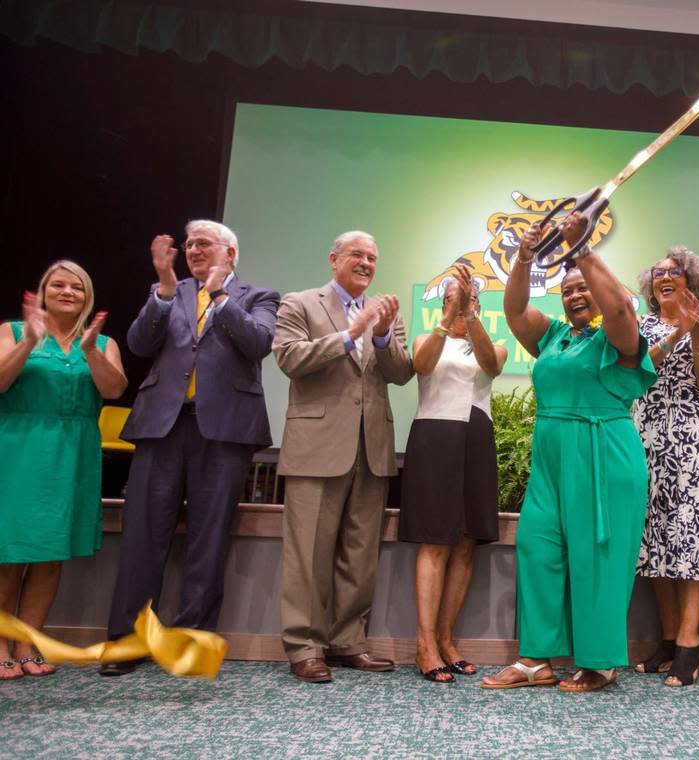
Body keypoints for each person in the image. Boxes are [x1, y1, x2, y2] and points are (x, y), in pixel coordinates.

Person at [481, 212, 655, 693]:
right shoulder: (555, 337)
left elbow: (620, 307)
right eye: (567, 289)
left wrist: (580, 250)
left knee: (597, 557)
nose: (576, 294)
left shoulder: (617, 339)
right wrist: (524, 257)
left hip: (604, 457)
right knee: (537, 548)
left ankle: (599, 663)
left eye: (583, 287)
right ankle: (535, 660)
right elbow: (515, 311)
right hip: (552, 460)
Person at [102, 221, 279, 676]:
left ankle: (188, 641)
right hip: (162, 426)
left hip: (223, 431)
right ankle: (127, 641)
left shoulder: (257, 296)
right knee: (143, 536)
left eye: (204, 244)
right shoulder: (169, 290)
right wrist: (162, 290)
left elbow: (259, 343)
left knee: (209, 538)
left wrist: (219, 296)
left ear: (231, 253)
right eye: (190, 244)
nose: (193, 250)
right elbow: (140, 343)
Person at [273, 230, 414, 683]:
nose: (367, 263)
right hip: (316, 448)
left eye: (373, 257)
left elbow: (400, 373)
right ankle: (304, 646)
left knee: (359, 554)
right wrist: (350, 334)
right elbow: (290, 358)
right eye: (357, 254)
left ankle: (348, 641)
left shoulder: (387, 314)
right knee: (308, 554)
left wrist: (379, 336)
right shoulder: (299, 303)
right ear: (333, 258)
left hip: (370, 449)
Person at [0, 262, 127, 680]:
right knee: (10, 552)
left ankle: (28, 642)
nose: (67, 291)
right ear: (44, 289)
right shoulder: (13, 331)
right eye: (59, 284)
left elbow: (113, 390)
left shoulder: (101, 342)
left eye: (77, 286)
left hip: (74, 454)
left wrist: (90, 350)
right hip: (20, 449)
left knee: (50, 556)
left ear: (86, 297)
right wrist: (29, 343)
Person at [399, 266, 506, 683]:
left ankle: (446, 638)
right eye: (454, 302)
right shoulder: (430, 339)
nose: (461, 309)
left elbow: (491, 367)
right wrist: (448, 316)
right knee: (435, 542)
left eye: (468, 303)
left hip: (476, 436)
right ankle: (424, 644)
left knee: (465, 544)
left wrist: (472, 314)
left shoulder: (491, 343)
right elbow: (421, 365)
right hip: (434, 436)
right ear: (442, 305)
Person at [631, 246, 699, 688]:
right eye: (658, 272)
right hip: (646, 435)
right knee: (654, 540)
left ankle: (690, 642)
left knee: (690, 538)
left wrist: (696, 332)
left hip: (692, 438)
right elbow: (637, 372)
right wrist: (674, 334)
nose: (664, 277)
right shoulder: (639, 324)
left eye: (674, 271)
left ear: (690, 280)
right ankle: (668, 639)